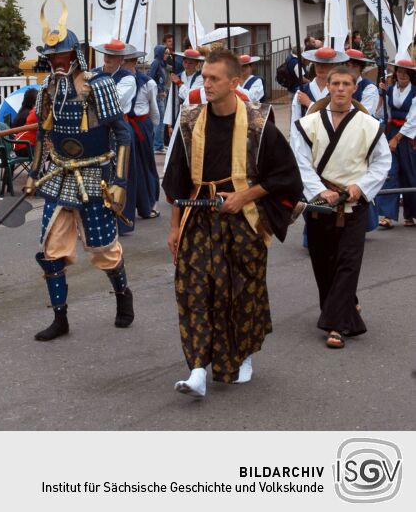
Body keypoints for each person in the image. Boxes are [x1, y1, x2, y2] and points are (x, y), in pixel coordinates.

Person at [163, 49, 302, 398]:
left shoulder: (259, 122)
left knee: (240, 294)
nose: (205, 84)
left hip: (244, 221)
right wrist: (174, 226)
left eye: (214, 79)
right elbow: (177, 179)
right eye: (204, 78)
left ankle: (242, 355)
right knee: (193, 291)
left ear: (234, 82)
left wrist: (244, 196)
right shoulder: (190, 122)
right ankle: (197, 368)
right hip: (197, 216)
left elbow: (285, 176)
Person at [24, 5, 134, 341]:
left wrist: (118, 181)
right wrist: (34, 172)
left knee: (103, 250)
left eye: (62, 55)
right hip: (58, 174)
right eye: (52, 56)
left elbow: (123, 133)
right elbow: (43, 134)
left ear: (75, 54)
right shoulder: (47, 91)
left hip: (93, 173)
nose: (56, 61)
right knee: (51, 251)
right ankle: (60, 318)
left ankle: (122, 295)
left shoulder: (97, 86)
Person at [292, 66, 391, 349]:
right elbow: (300, 161)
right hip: (320, 203)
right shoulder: (309, 123)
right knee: (323, 263)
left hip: (353, 203)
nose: (340, 89)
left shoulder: (369, 125)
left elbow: (382, 162)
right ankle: (347, 305)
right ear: (328, 86)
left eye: (346, 84)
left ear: (354, 88)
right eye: (335, 83)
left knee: (348, 261)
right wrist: (319, 191)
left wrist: (361, 188)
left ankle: (335, 324)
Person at [93, 39, 138, 234]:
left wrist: (93, 94)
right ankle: (95, 219)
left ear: (121, 59)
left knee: (120, 175)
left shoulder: (128, 78)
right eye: (107, 54)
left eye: (114, 56)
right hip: (96, 131)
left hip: (119, 132)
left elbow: (115, 102)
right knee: (95, 176)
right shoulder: (93, 73)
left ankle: (120, 220)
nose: (109, 58)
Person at [376, 58, 416, 229]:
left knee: (410, 174)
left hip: (408, 136)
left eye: (406, 73)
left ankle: (411, 215)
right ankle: (387, 215)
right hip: (392, 132)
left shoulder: (415, 92)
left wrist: (397, 138)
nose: (402, 75)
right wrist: (381, 95)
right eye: (400, 71)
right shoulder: (390, 89)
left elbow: (413, 120)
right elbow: (382, 113)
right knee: (390, 172)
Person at [123, 49, 160, 219]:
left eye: (128, 61)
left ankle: (151, 202)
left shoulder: (147, 82)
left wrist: (151, 129)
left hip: (141, 125)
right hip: (123, 125)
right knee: (126, 168)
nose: (124, 64)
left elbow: (154, 109)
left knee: (146, 165)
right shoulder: (118, 81)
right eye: (122, 60)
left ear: (135, 62)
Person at [291, 46, 348, 130]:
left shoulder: (339, 91)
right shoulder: (302, 91)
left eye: (325, 65)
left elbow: (337, 117)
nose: (320, 68)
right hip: (307, 138)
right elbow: (295, 124)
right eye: (317, 64)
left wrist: (309, 103)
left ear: (333, 66)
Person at [164, 48, 205, 126]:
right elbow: (172, 101)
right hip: (178, 115)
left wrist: (179, 83)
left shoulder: (200, 78)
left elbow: (191, 97)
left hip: (194, 114)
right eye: (185, 62)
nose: (187, 65)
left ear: (196, 63)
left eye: (190, 63)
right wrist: (170, 124)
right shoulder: (178, 76)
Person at [148, 44, 170, 153]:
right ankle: (157, 145)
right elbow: (150, 78)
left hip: (161, 95)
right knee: (159, 120)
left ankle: (159, 144)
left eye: (168, 53)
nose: (167, 55)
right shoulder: (156, 63)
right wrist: (158, 91)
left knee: (161, 120)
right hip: (158, 96)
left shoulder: (162, 64)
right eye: (165, 53)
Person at [345, 48, 379, 116]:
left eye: (354, 66)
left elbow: (365, 113)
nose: (350, 70)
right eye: (347, 66)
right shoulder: (336, 84)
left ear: (361, 68)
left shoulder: (369, 87)